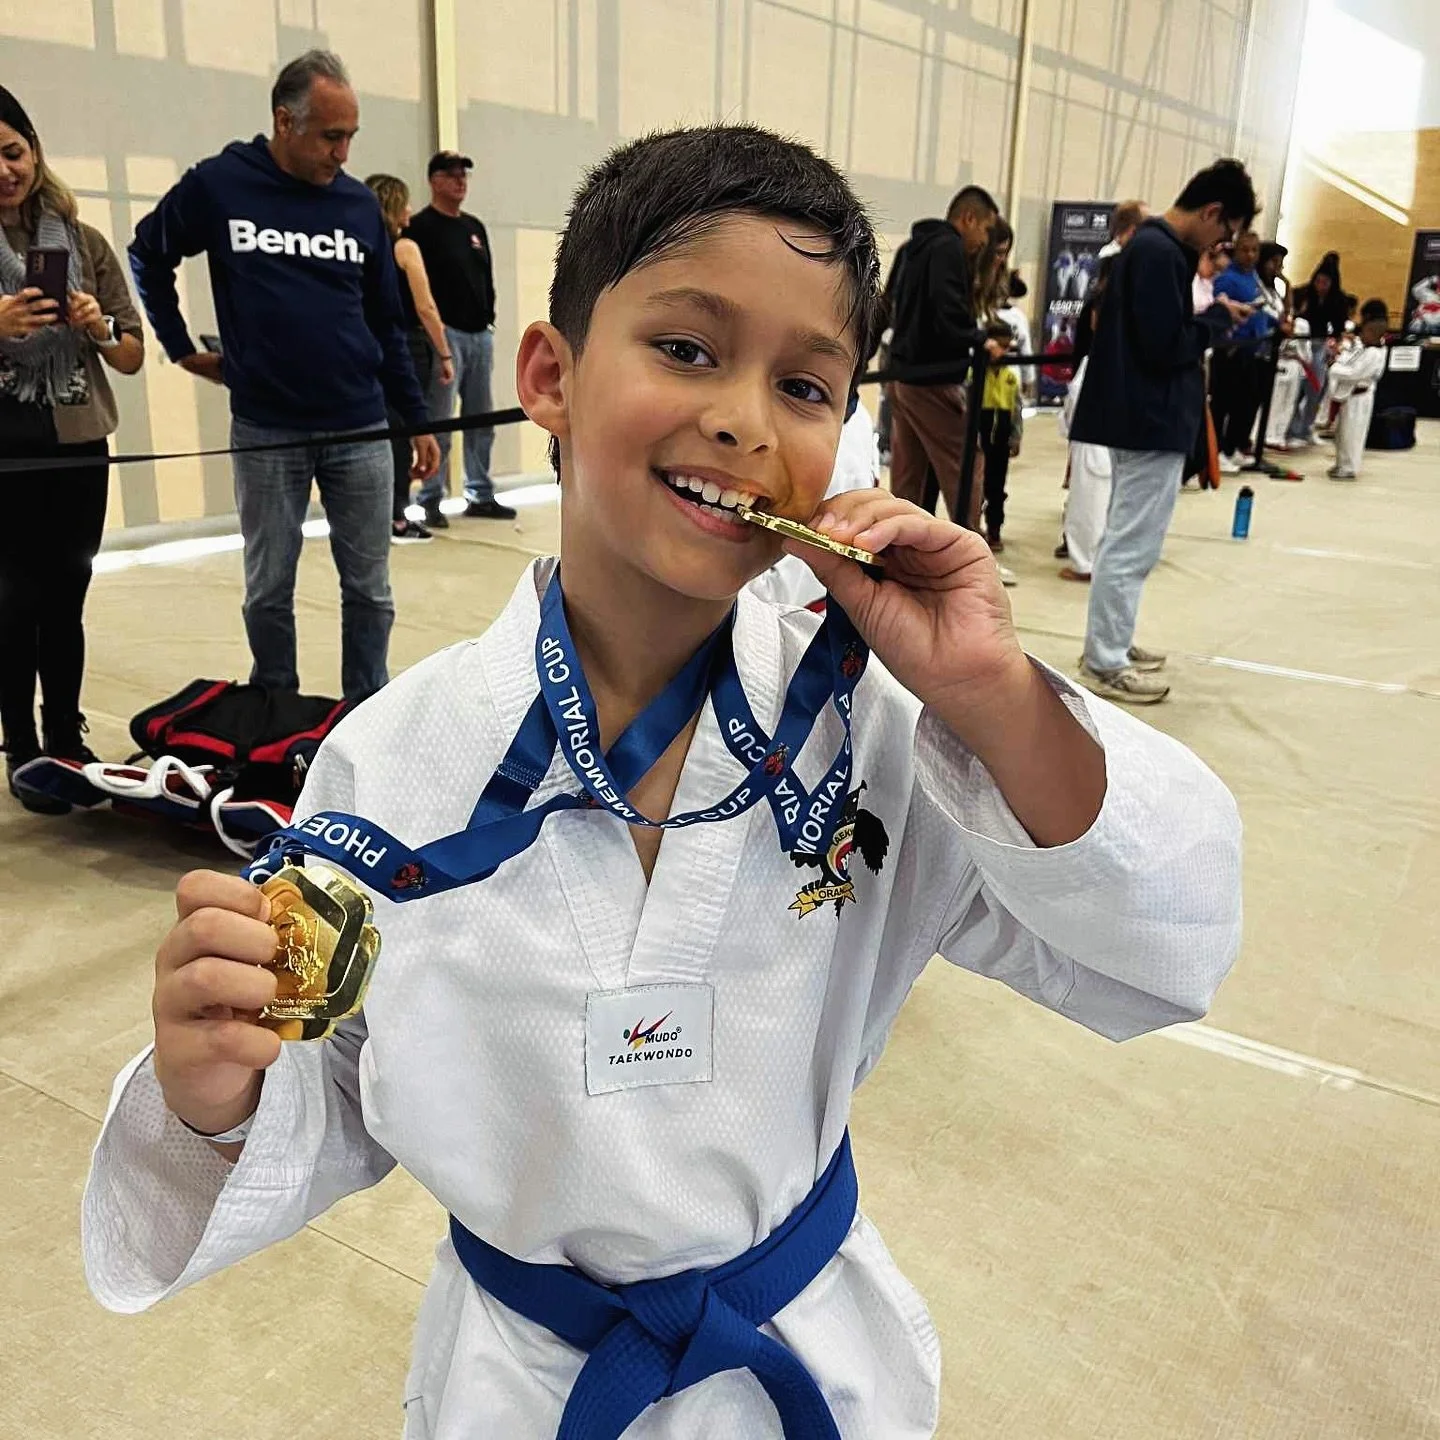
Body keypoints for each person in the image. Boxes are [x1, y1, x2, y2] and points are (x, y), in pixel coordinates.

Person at [82, 124, 1243, 1438]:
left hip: (800, 1358)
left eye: (805, 387)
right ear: (550, 375)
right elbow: (343, 1087)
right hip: (522, 1386)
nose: (742, 416)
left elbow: (1162, 939)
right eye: (686, 349)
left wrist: (997, 695)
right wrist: (213, 1090)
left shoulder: (877, 725)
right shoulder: (392, 758)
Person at [128, 51, 439, 702]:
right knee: (269, 586)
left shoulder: (358, 209)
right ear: (284, 121)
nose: (344, 153)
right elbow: (147, 252)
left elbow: (388, 321)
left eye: (352, 136)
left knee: (370, 589)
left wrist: (416, 421)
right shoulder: (221, 185)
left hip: (360, 426)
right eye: (331, 136)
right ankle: (274, 700)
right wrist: (180, 346)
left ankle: (366, 708)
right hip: (268, 429)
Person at [0, 86, 145, 809]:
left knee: (66, 597)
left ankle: (64, 734)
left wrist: (94, 324)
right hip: (6, 453)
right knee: (10, 602)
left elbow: (130, 354)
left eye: (12, 151)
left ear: (34, 150)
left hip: (78, 443)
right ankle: (20, 744)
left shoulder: (82, 243)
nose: (4, 170)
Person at [1070, 158, 1258, 704]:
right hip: (1148, 420)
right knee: (1130, 545)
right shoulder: (1157, 252)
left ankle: (1113, 644)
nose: (1221, 243)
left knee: (1131, 542)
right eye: (1225, 231)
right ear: (1213, 212)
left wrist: (1210, 314)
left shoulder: (1154, 249)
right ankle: (1104, 659)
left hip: (1144, 418)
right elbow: (1164, 344)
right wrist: (1217, 321)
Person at [405, 151, 516, 526]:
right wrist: (436, 338)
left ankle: (480, 493)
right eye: (452, 175)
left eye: (464, 175)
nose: (460, 181)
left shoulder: (474, 227)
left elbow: (486, 279)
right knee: (440, 421)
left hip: (479, 334)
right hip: (446, 336)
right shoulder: (419, 228)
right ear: (434, 181)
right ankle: (431, 498)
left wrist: (490, 319)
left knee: (480, 419)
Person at [885, 184, 1002, 524]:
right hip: (933, 378)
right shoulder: (949, 249)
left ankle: (903, 549)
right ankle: (967, 551)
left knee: (911, 473)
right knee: (966, 462)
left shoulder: (910, 249)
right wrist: (980, 339)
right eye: (985, 229)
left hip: (901, 376)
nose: (984, 241)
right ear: (967, 219)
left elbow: (889, 301)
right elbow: (947, 311)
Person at [365, 173, 455, 544]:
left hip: (368, 346)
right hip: (406, 345)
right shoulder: (405, 248)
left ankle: (381, 512)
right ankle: (398, 516)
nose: (410, 211)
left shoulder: (363, 249)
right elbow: (425, 305)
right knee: (404, 430)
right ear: (393, 206)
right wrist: (445, 352)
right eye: (404, 202)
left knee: (382, 429)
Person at [1210, 230, 1276, 473]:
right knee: (1224, 403)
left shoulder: (1253, 278)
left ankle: (1232, 448)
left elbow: (1260, 311)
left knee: (1245, 404)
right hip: (1231, 350)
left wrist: (1277, 324)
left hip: (1252, 351)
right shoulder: (1228, 279)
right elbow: (1218, 312)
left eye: (1254, 250)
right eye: (1245, 250)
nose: (1250, 255)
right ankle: (1215, 452)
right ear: (1235, 251)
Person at [1287, 252, 1350, 446]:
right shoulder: (1303, 294)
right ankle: (1292, 428)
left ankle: (1306, 428)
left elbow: (1339, 329)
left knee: (1316, 389)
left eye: (1325, 283)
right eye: (1318, 281)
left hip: (1320, 346)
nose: (1320, 286)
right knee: (1296, 390)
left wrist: (1335, 346)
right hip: (1301, 344)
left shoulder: (1339, 300)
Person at [1326, 298, 1389, 480]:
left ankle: (1349, 467)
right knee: (1341, 432)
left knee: (1353, 433)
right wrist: (1338, 360)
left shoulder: (1375, 353)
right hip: (1348, 395)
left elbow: (1355, 373)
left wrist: (1335, 368)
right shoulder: (1362, 347)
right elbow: (1347, 359)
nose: (1363, 334)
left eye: (1367, 332)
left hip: (1360, 396)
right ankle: (1340, 462)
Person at [978, 319, 1023, 557]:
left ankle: (995, 528)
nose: (1003, 352)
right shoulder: (974, 371)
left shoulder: (1010, 375)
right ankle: (974, 528)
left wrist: (1016, 437)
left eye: (1007, 347)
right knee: (977, 484)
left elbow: (1017, 409)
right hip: (980, 435)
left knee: (997, 486)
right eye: (999, 345)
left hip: (1002, 437)